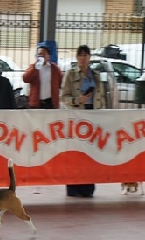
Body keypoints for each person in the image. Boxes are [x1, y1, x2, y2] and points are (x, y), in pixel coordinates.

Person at [60, 44, 106, 198]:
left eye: (85, 55)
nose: (83, 58)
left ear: (90, 57)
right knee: (75, 153)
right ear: (76, 57)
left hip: (93, 116)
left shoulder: (96, 75)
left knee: (91, 154)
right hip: (77, 117)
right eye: (80, 55)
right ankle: (73, 188)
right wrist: (77, 100)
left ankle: (88, 187)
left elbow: (102, 97)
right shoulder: (70, 74)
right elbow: (63, 97)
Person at [22, 44, 63, 109]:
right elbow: (25, 79)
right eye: (39, 54)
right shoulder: (33, 67)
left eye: (43, 54)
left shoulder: (54, 68)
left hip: (50, 102)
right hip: (36, 102)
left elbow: (62, 82)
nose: (41, 56)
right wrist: (35, 68)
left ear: (48, 56)